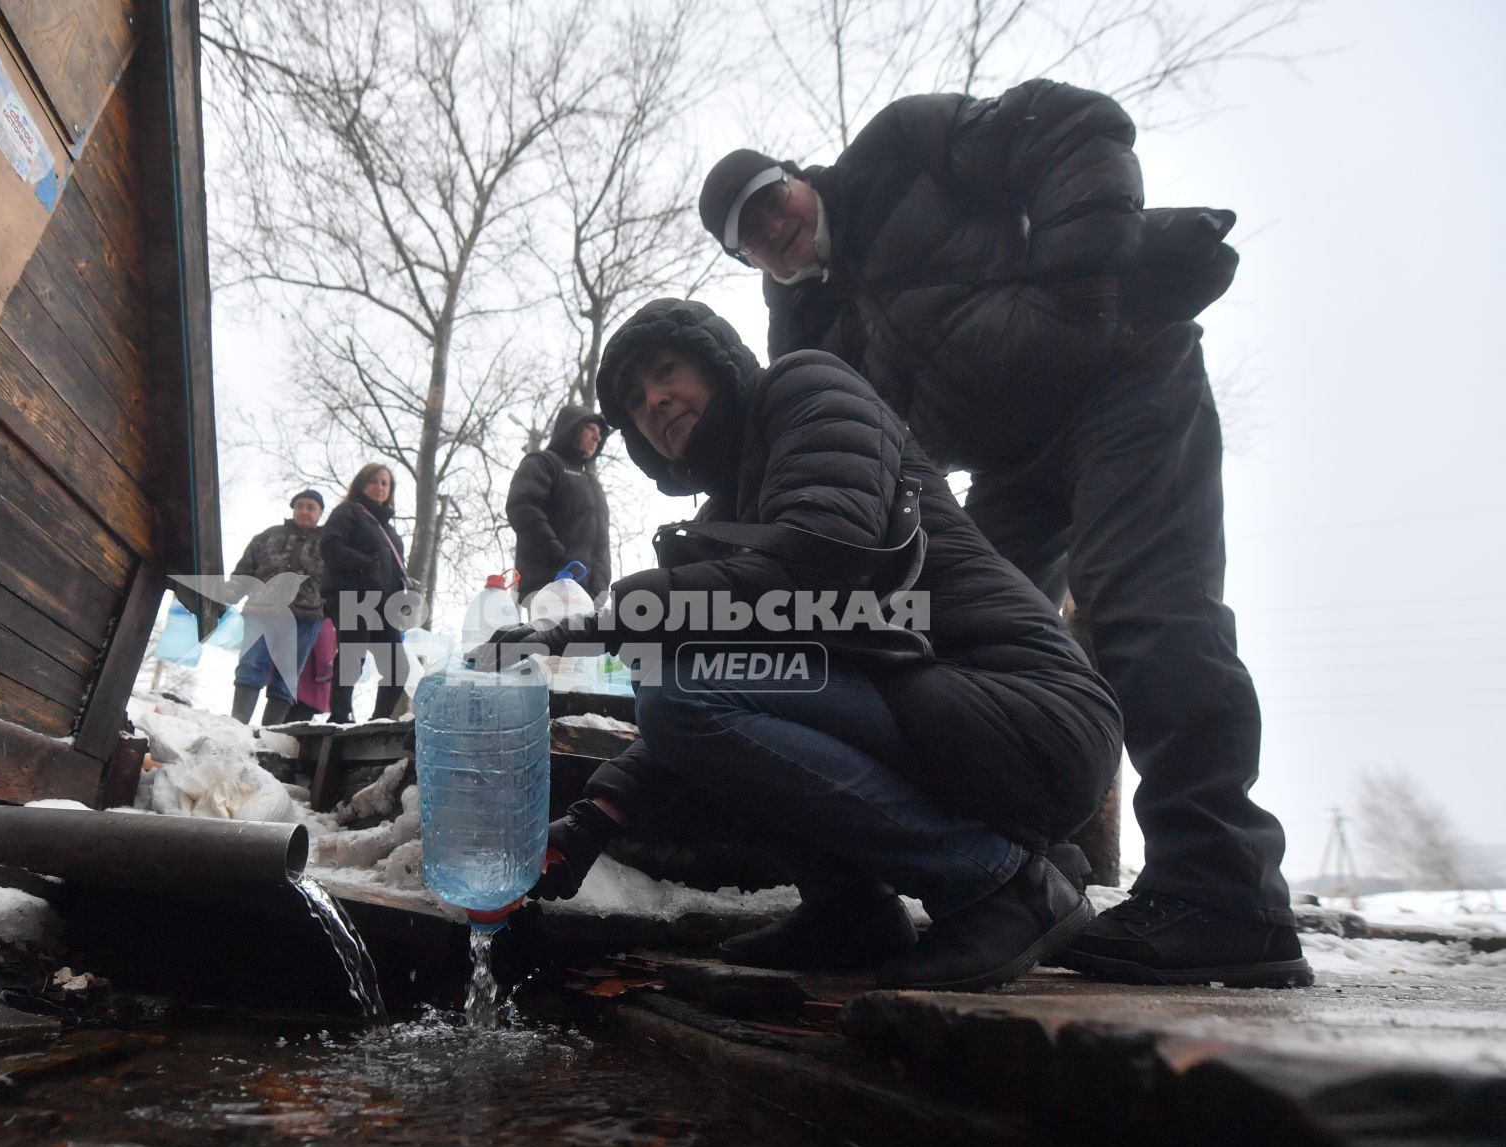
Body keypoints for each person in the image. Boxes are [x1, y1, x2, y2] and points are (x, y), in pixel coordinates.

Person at [697, 79, 1310, 988]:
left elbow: (1072, 127)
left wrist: (1083, 285)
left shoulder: (898, 149)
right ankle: (1025, 874)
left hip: (1123, 376)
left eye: (770, 200)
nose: (771, 228)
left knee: (1145, 609)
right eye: (748, 234)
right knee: (951, 643)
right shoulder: (804, 332)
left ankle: (1226, 890)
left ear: (799, 179)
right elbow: (829, 451)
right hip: (1008, 468)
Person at [474, 298, 1123, 992]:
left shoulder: (806, 388)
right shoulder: (733, 510)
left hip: (1028, 707)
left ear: (718, 363)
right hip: (934, 711)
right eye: (634, 400)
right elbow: (726, 691)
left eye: (667, 371)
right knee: (688, 688)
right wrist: (590, 824)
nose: (655, 400)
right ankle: (849, 914)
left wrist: (586, 625)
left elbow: (818, 560)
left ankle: (1000, 887)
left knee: (686, 685)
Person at [320, 462, 411, 723]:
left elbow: (395, 572)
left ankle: (378, 721)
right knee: (351, 656)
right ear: (362, 484)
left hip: (385, 605)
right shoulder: (348, 512)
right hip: (351, 595)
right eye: (374, 481)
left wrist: (402, 599)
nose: (380, 487)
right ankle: (338, 716)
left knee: (397, 667)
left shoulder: (391, 534)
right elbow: (329, 546)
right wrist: (365, 564)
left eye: (385, 483)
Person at [229, 490, 326, 725]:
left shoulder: (329, 544)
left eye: (311, 507)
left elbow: (340, 582)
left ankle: (270, 733)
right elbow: (244, 572)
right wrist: (227, 595)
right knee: (251, 664)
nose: (304, 511)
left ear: (320, 513)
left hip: (306, 617)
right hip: (261, 611)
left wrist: (331, 610)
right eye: (300, 505)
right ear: (293, 509)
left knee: (287, 675)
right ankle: (237, 725)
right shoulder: (268, 536)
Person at [505, 404, 612, 606]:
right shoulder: (544, 463)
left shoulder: (592, 483)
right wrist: (556, 555)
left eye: (600, 434)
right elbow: (522, 507)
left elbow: (601, 539)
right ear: (572, 428)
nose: (597, 438)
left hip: (589, 594)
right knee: (551, 638)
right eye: (591, 429)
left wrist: (601, 585)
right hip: (550, 584)